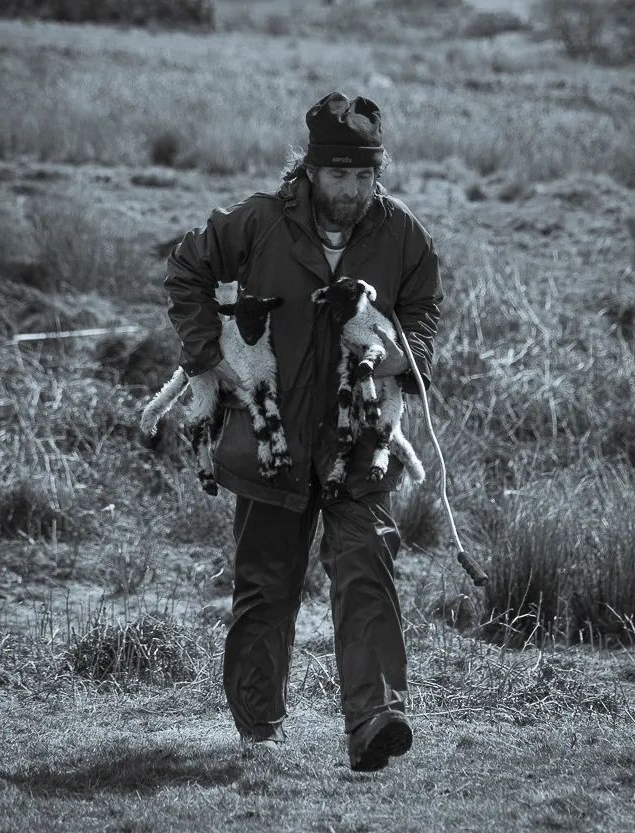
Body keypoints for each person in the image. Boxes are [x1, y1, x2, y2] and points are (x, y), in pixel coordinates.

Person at [164, 91, 443, 771]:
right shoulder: (255, 222)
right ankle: (258, 726)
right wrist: (209, 357)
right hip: (271, 439)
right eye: (339, 175)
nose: (352, 190)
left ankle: (375, 718)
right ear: (311, 170)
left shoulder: (400, 232)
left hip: (358, 437)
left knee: (367, 566)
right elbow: (187, 272)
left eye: (364, 176)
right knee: (266, 583)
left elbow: (423, 314)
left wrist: (405, 358)